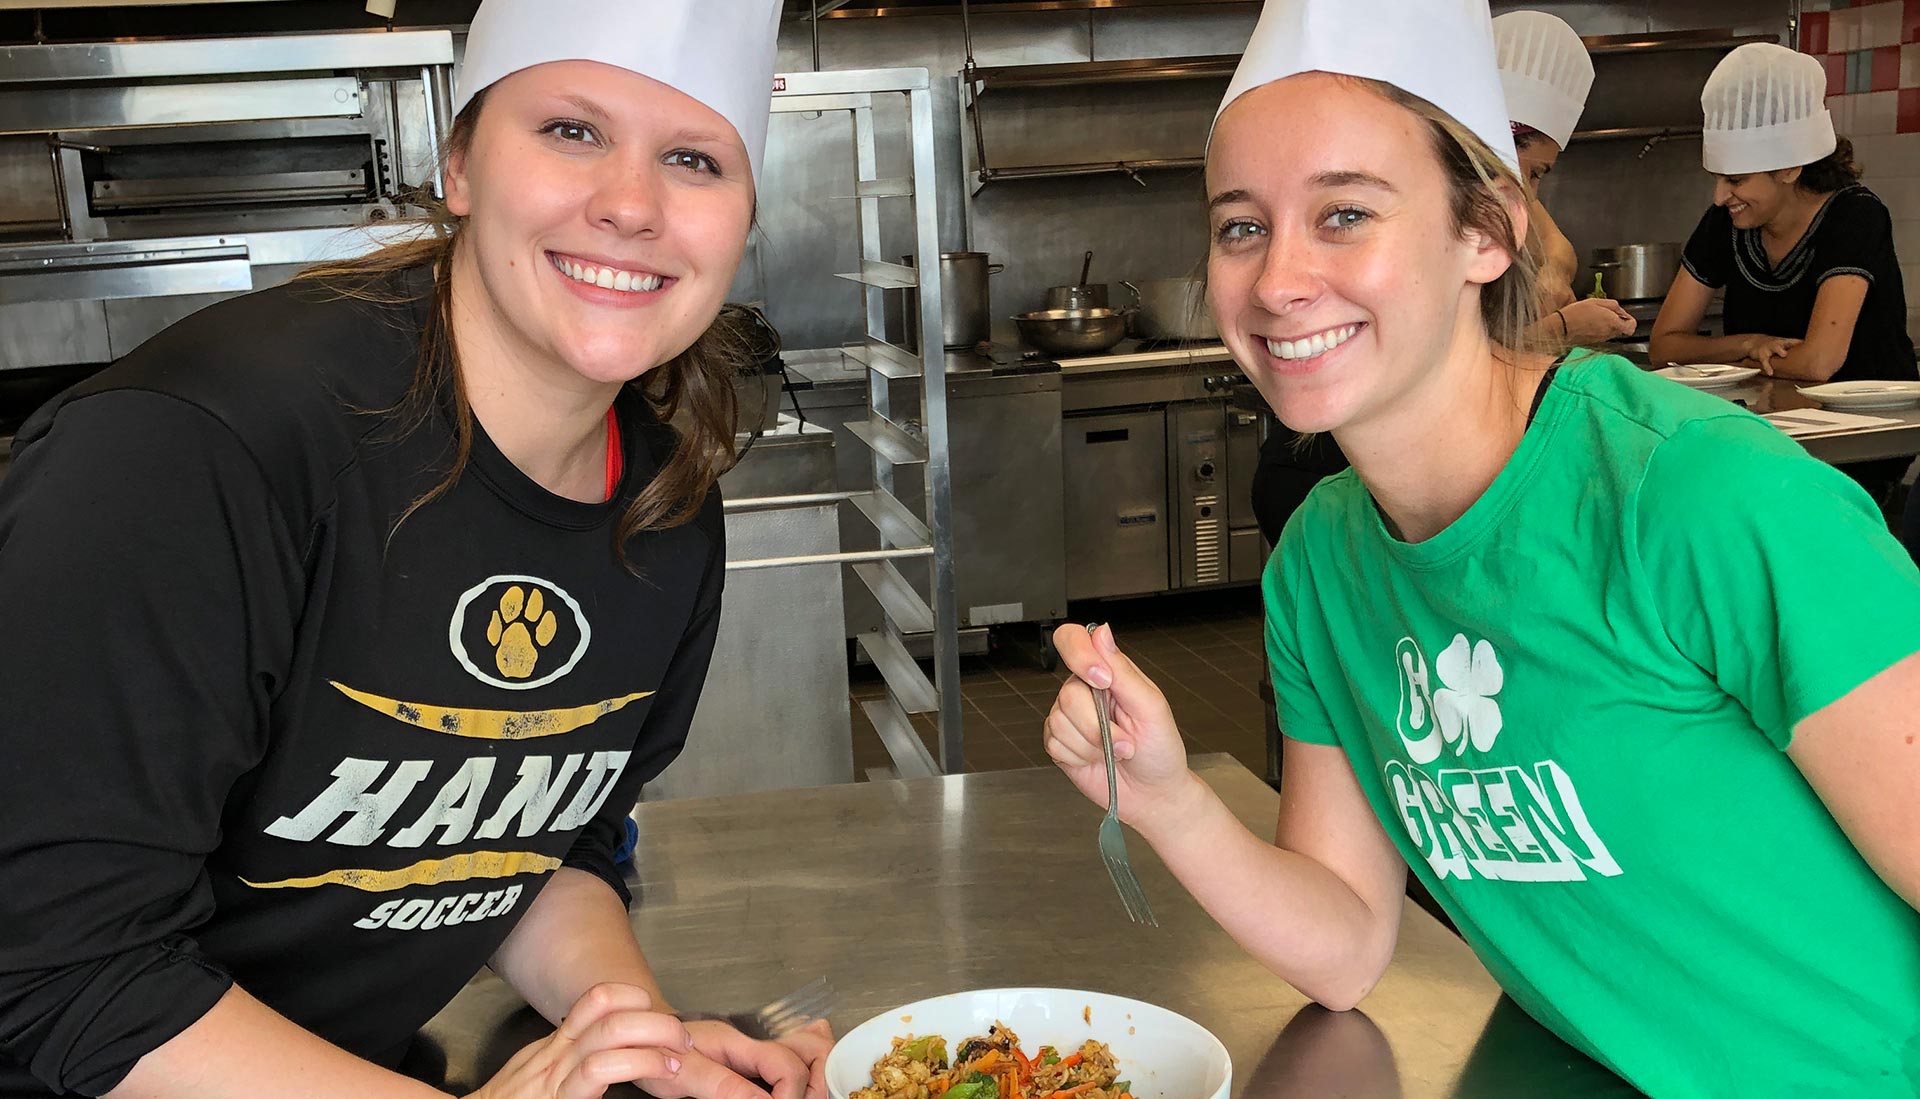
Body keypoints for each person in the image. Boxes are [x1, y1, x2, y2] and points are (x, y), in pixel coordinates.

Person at [1044, 1, 1920, 1096]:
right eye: (1240, 225)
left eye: (1346, 213)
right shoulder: (1323, 566)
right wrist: (1168, 796)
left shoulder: (1696, 497)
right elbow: (1350, 939)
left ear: (1487, 231)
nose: (1275, 282)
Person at [0, 4, 830, 1099]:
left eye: (693, 158)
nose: (631, 204)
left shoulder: (664, 510)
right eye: (571, 131)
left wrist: (643, 1046)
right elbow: (53, 972)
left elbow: (536, 846)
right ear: (459, 164)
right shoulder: (198, 451)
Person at [1652, 43, 1916, 387]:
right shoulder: (1727, 221)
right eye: (1716, 179)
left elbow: (1818, 363)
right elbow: (1664, 345)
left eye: (1735, 180)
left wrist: (1725, 359)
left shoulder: (1854, 215)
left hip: (1874, 431)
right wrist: (1748, 344)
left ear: (1789, 169)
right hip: (1770, 422)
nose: (1719, 198)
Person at [1494, 10, 1635, 348]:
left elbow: (1559, 249)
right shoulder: (1433, 212)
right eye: (1534, 172)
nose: (1530, 191)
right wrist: (1564, 327)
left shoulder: (1510, 191)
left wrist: (1553, 275)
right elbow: (1465, 367)